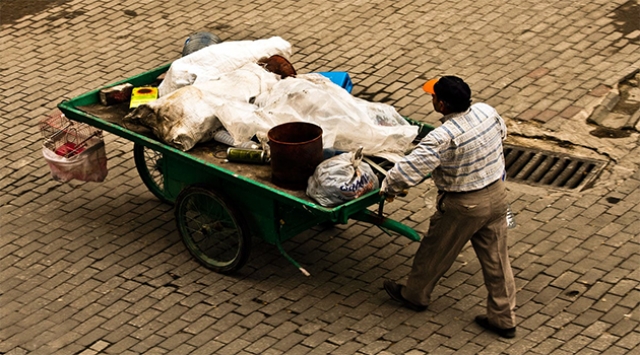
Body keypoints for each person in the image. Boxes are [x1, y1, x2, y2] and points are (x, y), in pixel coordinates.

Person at [380, 75, 517, 338]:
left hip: (463, 206)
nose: (431, 99)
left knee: (435, 250)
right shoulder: (486, 112)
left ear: (442, 104)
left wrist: (388, 189)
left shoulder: (441, 137)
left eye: (433, 97)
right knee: (498, 260)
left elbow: (407, 172)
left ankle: (415, 295)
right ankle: (504, 318)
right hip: (499, 196)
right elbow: (502, 132)